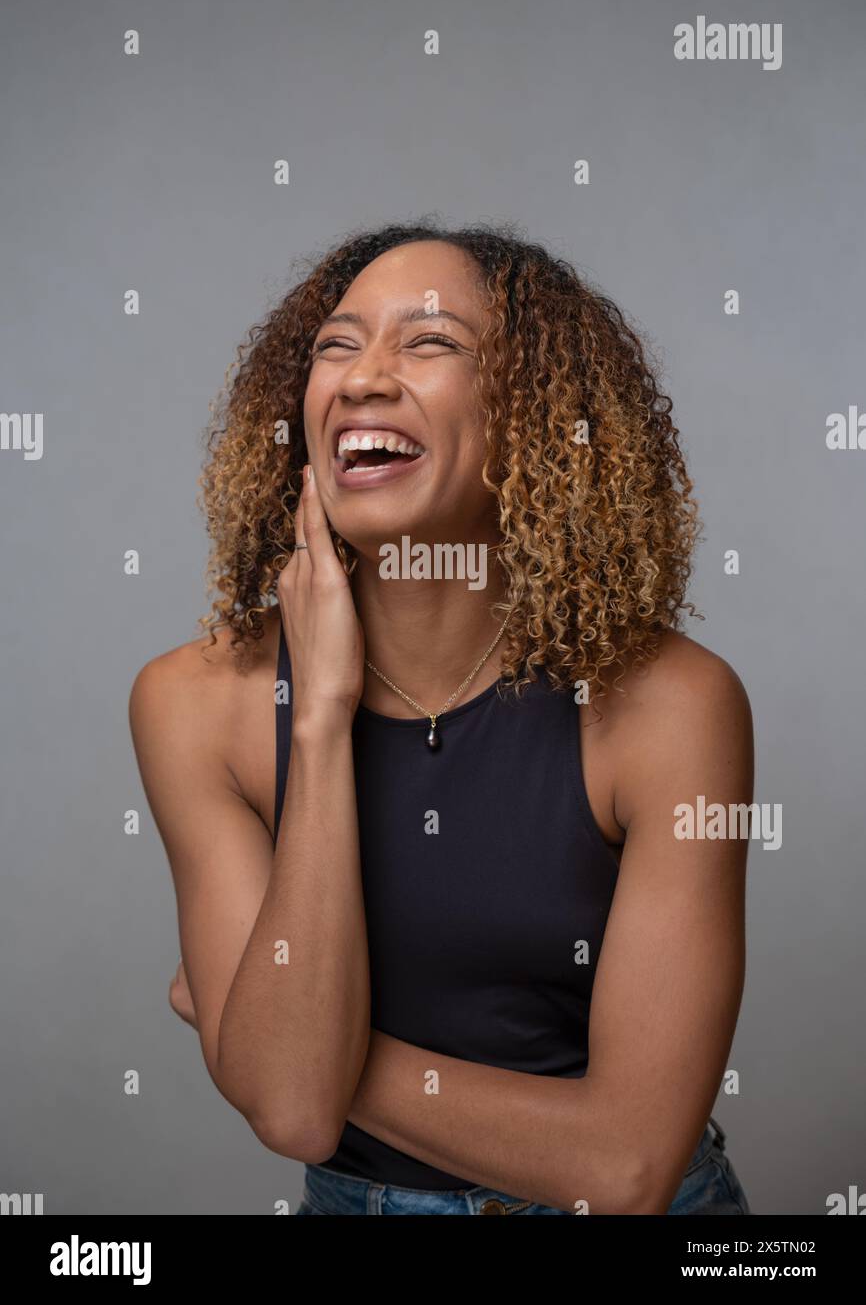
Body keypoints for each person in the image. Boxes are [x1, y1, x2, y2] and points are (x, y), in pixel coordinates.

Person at [129, 218, 753, 1215]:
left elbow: (624, 1167)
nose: (364, 377)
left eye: (428, 343)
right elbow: (292, 1117)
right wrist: (321, 717)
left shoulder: (668, 709)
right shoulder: (194, 705)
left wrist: (275, 1045)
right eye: (337, 344)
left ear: (532, 415)